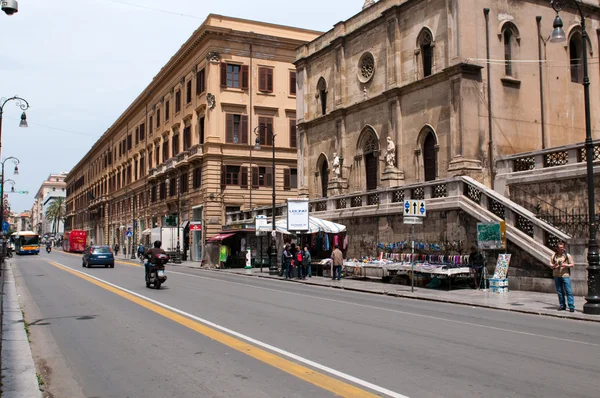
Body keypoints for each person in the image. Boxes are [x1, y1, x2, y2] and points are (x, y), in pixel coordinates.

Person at [550, 242, 575, 312]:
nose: (562, 249)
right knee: (560, 292)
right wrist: (555, 266)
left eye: (562, 248)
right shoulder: (554, 256)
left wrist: (565, 265)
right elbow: (551, 264)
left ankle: (571, 306)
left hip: (565, 275)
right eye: (560, 248)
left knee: (568, 291)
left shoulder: (567, 256)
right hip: (556, 275)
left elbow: (572, 264)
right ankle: (562, 305)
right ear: (557, 249)